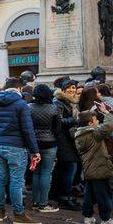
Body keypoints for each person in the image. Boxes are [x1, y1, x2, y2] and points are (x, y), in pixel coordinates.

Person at [0, 78, 41, 224]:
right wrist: (35, 150)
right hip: (17, 146)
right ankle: (19, 213)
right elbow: (28, 130)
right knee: (16, 181)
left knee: (0, 179)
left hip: (0, 145)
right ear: (19, 89)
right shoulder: (21, 104)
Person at [74, 110, 113, 224]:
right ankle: (106, 220)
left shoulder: (79, 134)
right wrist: (108, 112)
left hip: (89, 169)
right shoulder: (94, 133)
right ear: (90, 123)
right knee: (104, 196)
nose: (98, 122)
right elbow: (109, 125)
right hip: (99, 168)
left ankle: (88, 217)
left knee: (89, 195)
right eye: (96, 120)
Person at [28, 84, 62, 213]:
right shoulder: (54, 109)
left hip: (33, 143)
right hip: (50, 142)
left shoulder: (29, 107)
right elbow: (58, 128)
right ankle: (43, 203)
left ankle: (36, 201)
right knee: (46, 172)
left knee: (36, 172)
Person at [53, 78, 82, 211]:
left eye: (73, 88)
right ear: (63, 89)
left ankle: (55, 193)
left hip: (69, 138)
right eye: (69, 88)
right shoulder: (58, 101)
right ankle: (65, 196)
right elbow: (58, 121)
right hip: (62, 138)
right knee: (71, 166)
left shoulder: (73, 102)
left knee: (62, 167)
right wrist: (74, 120)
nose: (72, 90)